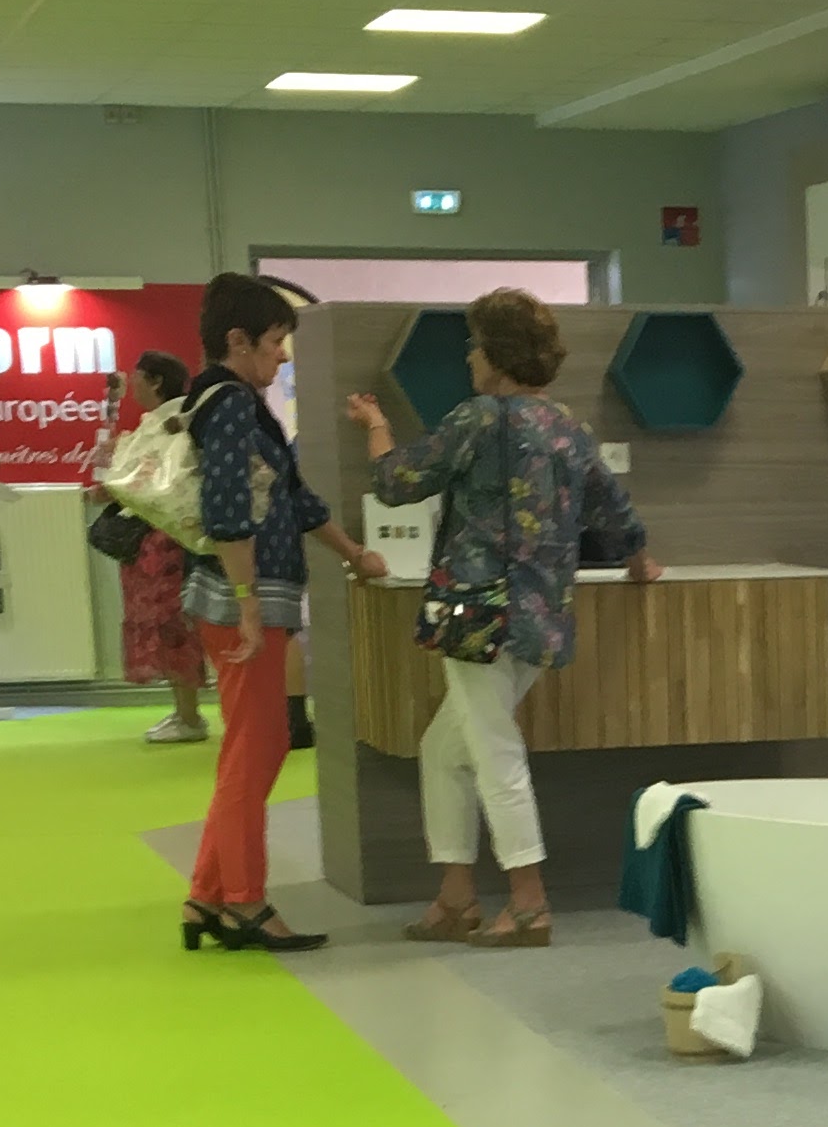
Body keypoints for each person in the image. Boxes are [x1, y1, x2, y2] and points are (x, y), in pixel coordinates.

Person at [349, 289, 661, 947]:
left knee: (494, 752)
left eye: (475, 346)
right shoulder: (568, 427)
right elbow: (612, 506)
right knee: (445, 749)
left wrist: (374, 426)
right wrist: (640, 561)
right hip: (541, 616)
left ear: (496, 354)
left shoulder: (478, 419)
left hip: (477, 612)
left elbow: (397, 483)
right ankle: (457, 897)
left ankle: (528, 902)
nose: (469, 357)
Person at [182, 272, 391, 957]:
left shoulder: (230, 402)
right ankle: (244, 899)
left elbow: (294, 498)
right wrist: (247, 603)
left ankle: (208, 893)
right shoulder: (231, 405)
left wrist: (351, 552)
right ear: (238, 341)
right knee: (258, 747)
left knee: (254, 744)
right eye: (274, 342)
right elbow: (226, 509)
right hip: (245, 601)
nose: (283, 356)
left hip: (245, 598)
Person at [89, 350, 211, 744]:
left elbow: (162, 480)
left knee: (171, 622)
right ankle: (183, 710)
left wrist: (118, 487)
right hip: (152, 537)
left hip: (166, 539)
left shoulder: (174, 425)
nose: (133, 384)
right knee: (162, 622)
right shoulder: (155, 425)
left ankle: (190, 715)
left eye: (138, 376)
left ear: (156, 381)